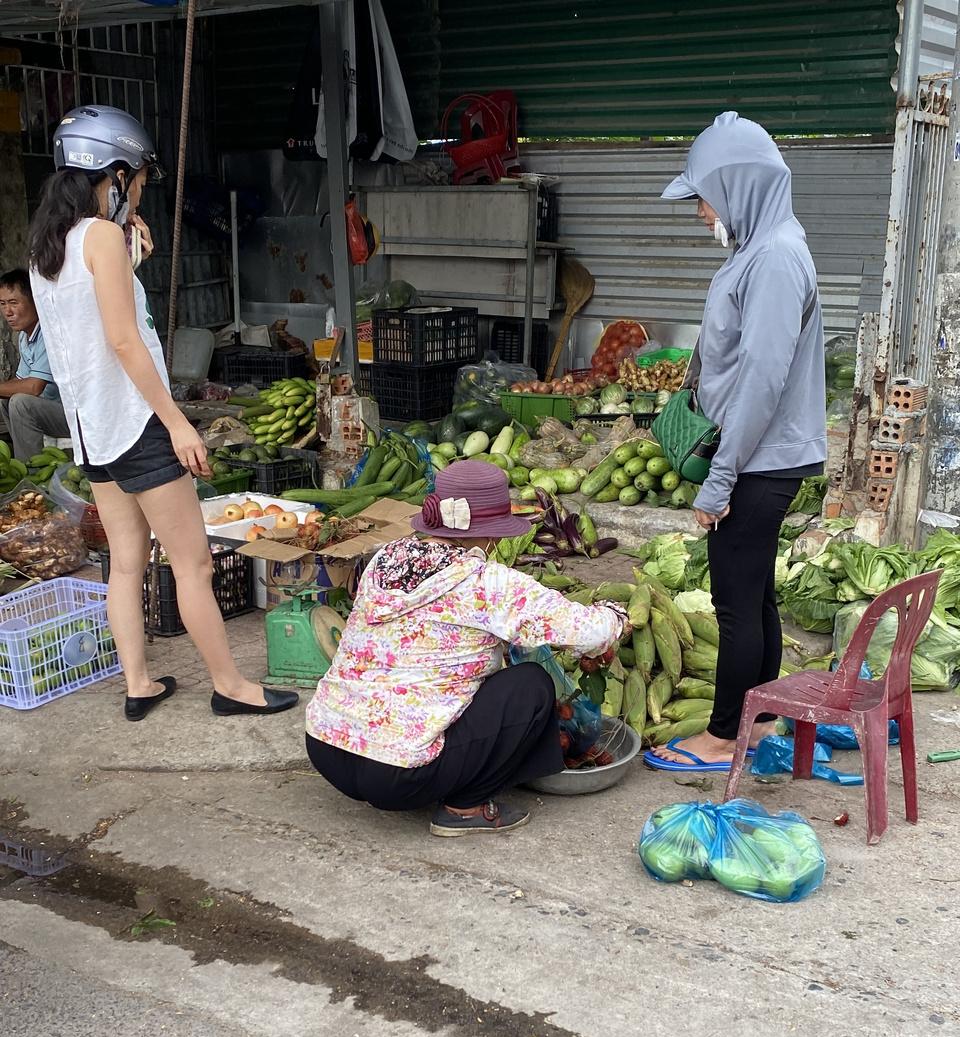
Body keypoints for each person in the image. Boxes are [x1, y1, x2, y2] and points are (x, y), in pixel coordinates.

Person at [28, 104, 298, 723]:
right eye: (140, 180)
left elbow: (93, 323)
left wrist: (131, 261)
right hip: (134, 424)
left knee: (126, 561)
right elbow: (124, 341)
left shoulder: (52, 246)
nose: (141, 191)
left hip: (91, 430)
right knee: (194, 563)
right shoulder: (99, 237)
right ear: (113, 174)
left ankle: (140, 684)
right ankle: (230, 685)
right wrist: (177, 422)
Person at [305, 460, 629, 836]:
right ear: (491, 534)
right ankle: (465, 809)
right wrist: (616, 616)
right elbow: (588, 632)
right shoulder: (486, 581)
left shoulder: (384, 557)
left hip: (327, 749)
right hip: (398, 774)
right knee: (530, 685)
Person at [648, 112, 826, 773]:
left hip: (759, 460)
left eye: (703, 196)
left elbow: (761, 377)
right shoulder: (762, 248)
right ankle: (764, 712)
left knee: (733, 602)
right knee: (754, 595)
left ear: (740, 187)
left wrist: (720, 480)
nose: (699, 211)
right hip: (764, 456)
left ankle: (724, 737)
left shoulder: (776, 257)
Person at [0, 267, 70, 461]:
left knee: (21, 403)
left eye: (14, 303)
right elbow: (21, 380)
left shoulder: (50, 334)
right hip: (52, 409)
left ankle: (31, 474)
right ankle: (23, 461)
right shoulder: (25, 336)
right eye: (2, 304)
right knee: (6, 399)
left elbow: (33, 387)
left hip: (75, 414)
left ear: (35, 301)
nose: (8, 312)